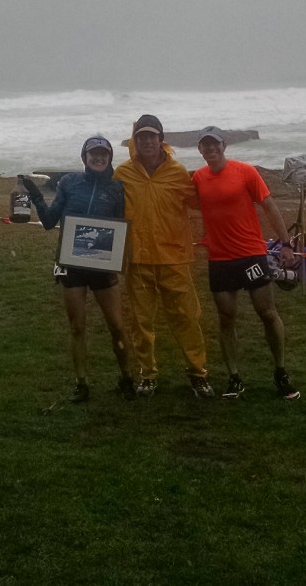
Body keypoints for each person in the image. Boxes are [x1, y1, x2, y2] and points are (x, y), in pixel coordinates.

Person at [22, 136, 135, 403]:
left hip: (102, 265)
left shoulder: (118, 189)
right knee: (77, 327)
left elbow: (120, 227)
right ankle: (81, 383)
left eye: (103, 154)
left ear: (109, 158)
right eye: (92, 153)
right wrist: (37, 196)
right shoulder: (69, 183)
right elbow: (50, 222)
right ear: (84, 157)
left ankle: (126, 377)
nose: (98, 157)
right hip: (71, 265)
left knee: (117, 326)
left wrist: (119, 258)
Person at [191, 126, 300, 400]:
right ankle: (234, 377)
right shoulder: (198, 179)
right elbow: (177, 203)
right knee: (226, 318)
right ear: (200, 150)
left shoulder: (246, 172)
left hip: (251, 255)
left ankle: (281, 372)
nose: (211, 150)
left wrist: (286, 243)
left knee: (267, 313)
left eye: (215, 144)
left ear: (224, 146)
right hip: (220, 259)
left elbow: (269, 206)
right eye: (205, 146)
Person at [113, 115, 214, 398]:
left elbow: (204, 203)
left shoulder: (179, 173)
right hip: (138, 260)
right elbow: (108, 210)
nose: (147, 141)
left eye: (152, 136)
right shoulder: (122, 174)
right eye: (141, 136)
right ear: (134, 140)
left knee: (187, 318)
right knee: (141, 322)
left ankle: (198, 373)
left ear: (161, 139)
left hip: (175, 258)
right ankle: (147, 374)